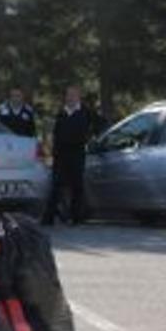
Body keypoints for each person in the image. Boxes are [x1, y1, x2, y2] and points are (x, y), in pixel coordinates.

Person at [42, 85, 94, 226]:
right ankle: (48, 218)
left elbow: (96, 127)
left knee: (77, 186)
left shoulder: (86, 112)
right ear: (65, 97)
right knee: (56, 186)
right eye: (69, 95)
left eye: (74, 95)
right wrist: (52, 152)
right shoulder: (60, 113)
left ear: (79, 97)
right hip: (61, 155)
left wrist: (89, 139)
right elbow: (54, 133)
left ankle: (76, 217)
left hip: (77, 154)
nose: (71, 98)